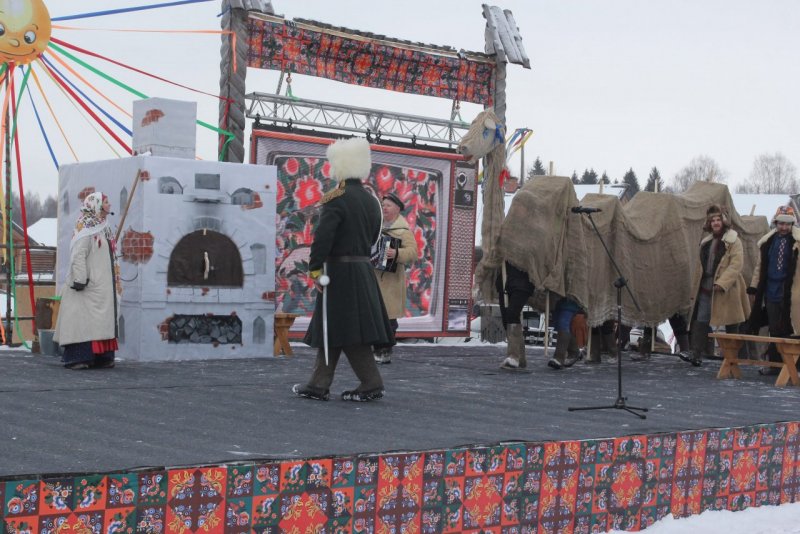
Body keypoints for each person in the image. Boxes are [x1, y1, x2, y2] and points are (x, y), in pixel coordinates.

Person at [292, 137, 394, 401]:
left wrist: (315, 270)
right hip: (362, 271)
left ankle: (370, 382)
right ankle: (319, 384)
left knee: (343, 327)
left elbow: (323, 239)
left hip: (338, 273)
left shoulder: (335, 199)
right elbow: (374, 237)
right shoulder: (372, 201)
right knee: (337, 327)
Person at [54, 192, 120, 370]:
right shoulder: (85, 228)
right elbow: (78, 255)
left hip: (102, 287)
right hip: (87, 286)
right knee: (83, 322)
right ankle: (79, 357)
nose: (109, 205)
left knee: (101, 321)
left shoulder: (104, 227)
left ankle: (102, 357)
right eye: (106, 202)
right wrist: (80, 279)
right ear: (96, 205)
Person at [680, 204, 750, 367]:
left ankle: (735, 358)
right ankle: (696, 353)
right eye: (713, 221)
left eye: (718, 220)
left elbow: (736, 265)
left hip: (728, 289)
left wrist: (722, 283)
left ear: (724, 222)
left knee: (732, 322)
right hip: (707, 287)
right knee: (701, 319)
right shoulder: (706, 242)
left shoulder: (734, 241)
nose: (716, 223)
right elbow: (701, 267)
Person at [747, 205, 800, 375]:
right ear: (776, 223)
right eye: (781, 223)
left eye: (787, 224)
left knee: (791, 329)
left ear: (792, 224)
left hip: (792, 292)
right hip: (771, 291)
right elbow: (759, 266)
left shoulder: (797, 242)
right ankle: (775, 365)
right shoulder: (768, 242)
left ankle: (794, 366)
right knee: (774, 329)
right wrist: (754, 287)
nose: (784, 227)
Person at [372, 191, 417, 364]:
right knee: (374, 317)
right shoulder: (377, 227)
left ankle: (385, 351)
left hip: (391, 284)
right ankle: (374, 349)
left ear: (397, 209)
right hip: (374, 280)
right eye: (383, 205)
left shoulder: (403, 231)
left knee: (389, 320)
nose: (384, 208)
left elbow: (413, 253)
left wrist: (396, 253)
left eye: (388, 206)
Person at [496, 262, 535, 369]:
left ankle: (513, 356)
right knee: (506, 319)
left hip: (523, 283)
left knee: (512, 314)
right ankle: (520, 358)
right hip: (505, 282)